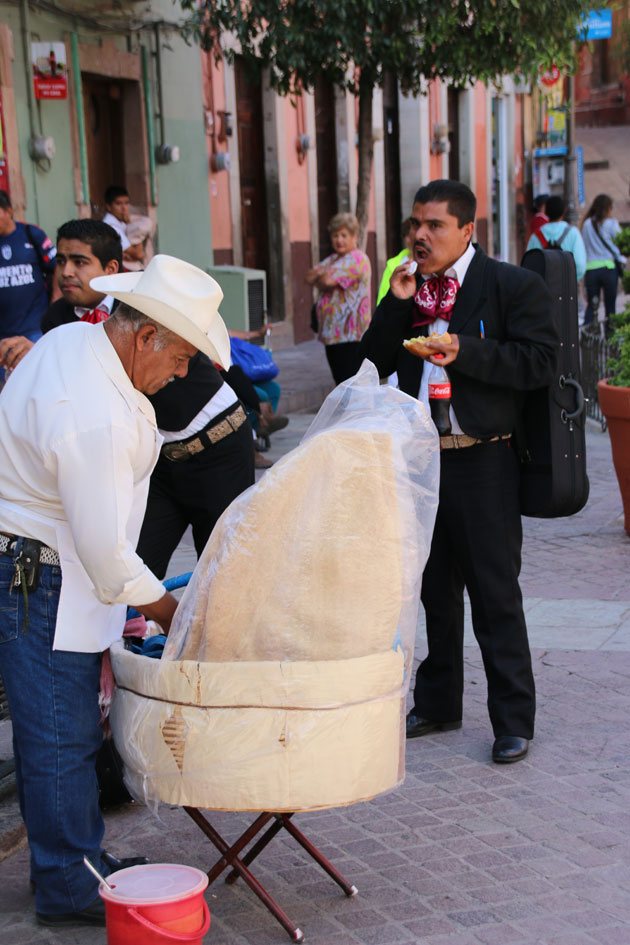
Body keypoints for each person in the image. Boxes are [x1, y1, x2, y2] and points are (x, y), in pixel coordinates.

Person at [0, 253, 231, 927]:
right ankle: (68, 881)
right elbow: (105, 551)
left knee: (64, 728)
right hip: (42, 575)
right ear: (142, 335)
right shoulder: (92, 410)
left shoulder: (76, 338)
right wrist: (170, 609)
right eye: (182, 356)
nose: (182, 372)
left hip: (50, 566)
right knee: (58, 734)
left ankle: (77, 863)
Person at [360, 179, 558, 765]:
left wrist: (464, 352)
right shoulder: (408, 289)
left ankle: (513, 720)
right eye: (415, 224)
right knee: (433, 593)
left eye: (435, 226)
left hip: (482, 458)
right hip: (418, 460)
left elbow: (540, 361)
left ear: (467, 230)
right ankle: (440, 701)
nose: (420, 236)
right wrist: (396, 305)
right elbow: (369, 364)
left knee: (495, 594)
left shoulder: (510, 285)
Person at [136, 351, 256, 578]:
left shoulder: (162, 324)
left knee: (220, 572)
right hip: (162, 460)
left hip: (220, 449)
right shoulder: (75, 330)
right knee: (138, 563)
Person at [0, 219, 123, 375]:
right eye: (60, 261)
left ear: (110, 269)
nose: (65, 272)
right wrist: (37, 356)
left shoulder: (137, 310)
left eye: (79, 262)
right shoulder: (54, 318)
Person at [306, 212, 371, 384]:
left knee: (349, 383)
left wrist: (323, 277)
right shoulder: (335, 258)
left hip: (350, 335)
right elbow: (309, 276)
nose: (339, 240)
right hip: (334, 334)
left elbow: (325, 280)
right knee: (340, 382)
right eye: (335, 235)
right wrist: (324, 278)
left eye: (344, 235)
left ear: (354, 237)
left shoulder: (357, 258)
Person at [0, 190, 56, 375]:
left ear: (8, 211)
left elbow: (56, 269)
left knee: (38, 380)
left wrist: (55, 304)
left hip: (34, 330)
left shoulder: (31, 234)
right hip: (3, 336)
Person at [581, 193, 627, 330]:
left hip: (591, 270)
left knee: (591, 306)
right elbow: (621, 242)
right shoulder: (611, 224)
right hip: (609, 269)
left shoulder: (587, 224)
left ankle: (587, 337)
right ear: (607, 208)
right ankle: (609, 338)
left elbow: (584, 246)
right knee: (610, 308)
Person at [526, 195, 587, 280]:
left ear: (546, 212)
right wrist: (570, 280)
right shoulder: (573, 233)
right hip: (567, 288)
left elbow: (528, 265)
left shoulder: (536, 236)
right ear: (563, 212)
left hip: (542, 288)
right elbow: (580, 265)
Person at [102, 185, 145, 269]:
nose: (124, 208)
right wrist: (135, 228)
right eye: (118, 204)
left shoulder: (120, 222)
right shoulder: (112, 226)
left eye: (126, 203)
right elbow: (138, 254)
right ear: (109, 207)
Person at [377, 217, 414, 304]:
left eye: (413, 234)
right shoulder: (392, 264)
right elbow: (382, 298)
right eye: (407, 235)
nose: (411, 239)